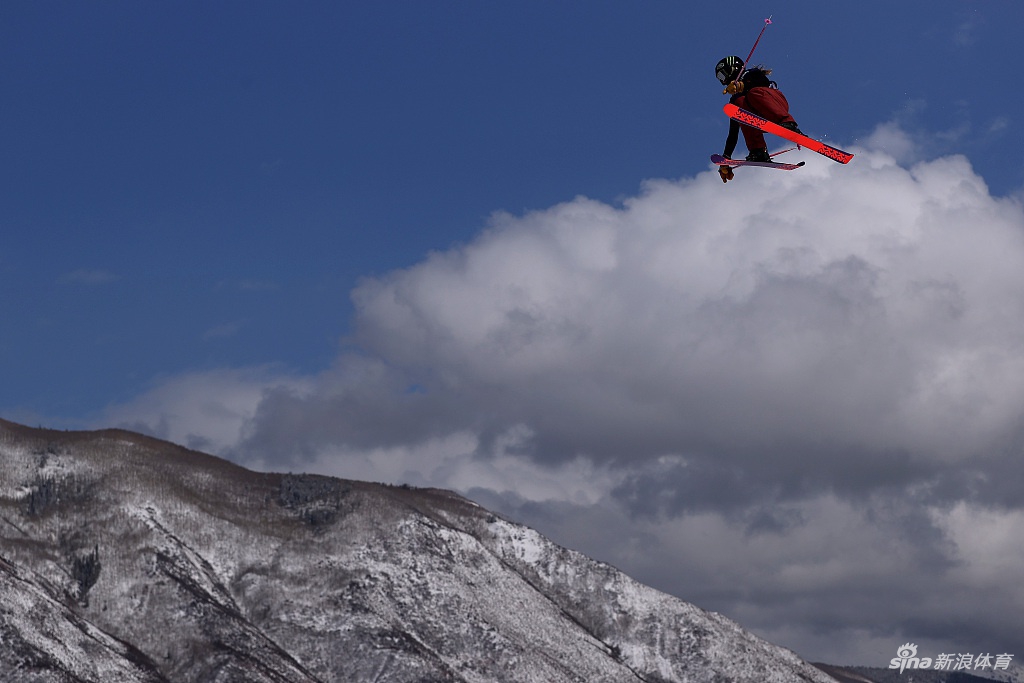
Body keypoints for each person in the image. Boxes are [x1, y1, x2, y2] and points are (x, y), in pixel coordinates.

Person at [715, 55, 802, 183]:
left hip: (774, 105)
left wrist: (741, 85)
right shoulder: (736, 99)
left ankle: (788, 123)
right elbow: (733, 133)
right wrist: (725, 159)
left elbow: (760, 82)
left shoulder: (751, 74)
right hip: (760, 116)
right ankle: (758, 150)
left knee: (753, 93)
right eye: (720, 78)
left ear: (734, 68)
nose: (723, 81)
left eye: (723, 75)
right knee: (737, 104)